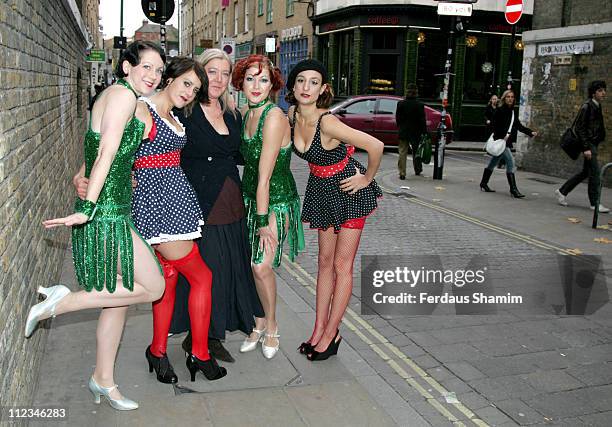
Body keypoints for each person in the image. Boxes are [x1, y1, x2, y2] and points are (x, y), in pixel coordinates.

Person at [31, 41, 167, 411]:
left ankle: (102, 380)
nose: (153, 76)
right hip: (106, 213)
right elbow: (106, 151)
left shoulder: (126, 98)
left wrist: (85, 178)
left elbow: (93, 151)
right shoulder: (123, 97)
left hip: (116, 207)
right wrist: (88, 207)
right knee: (154, 286)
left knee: (118, 300)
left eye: (159, 70)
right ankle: (62, 302)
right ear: (127, 67)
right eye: (147, 67)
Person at [74, 57, 228, 382]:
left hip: (171, 203)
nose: (189, 92)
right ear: (169, 78)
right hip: (156, 208)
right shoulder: (141, 108)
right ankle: (199, 353)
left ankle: (158, 352)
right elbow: (109, 147)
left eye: (195, 89)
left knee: (169, 278)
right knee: (201, 276)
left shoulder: (171, 114)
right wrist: (84, 175)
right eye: (186, 83)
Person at [286, 59, 383, 361]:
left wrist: (366, 177)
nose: (306, 87)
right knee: (324, 262)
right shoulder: (290, 115)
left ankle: (332, 334)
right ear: (292, 85)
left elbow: (376, 145)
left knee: (342, 266)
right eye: (301, 80)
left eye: (314, 82)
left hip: (349, 192)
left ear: (323, 89)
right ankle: (318, 330)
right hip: (321, 190)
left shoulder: (328, 122)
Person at [173, 49, 265, 363]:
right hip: (199, 202)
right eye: (213, 71)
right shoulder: (184, 110)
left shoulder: (232, 114)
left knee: (227, 271)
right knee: (207, 272)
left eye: (225, 74)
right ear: (200, 73)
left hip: (231, 201)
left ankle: (209, 336)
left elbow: (244, 153)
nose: (220, 79)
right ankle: (199, 339)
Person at [232, 54, 305, 359]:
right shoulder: (244, 113)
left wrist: (262, 221)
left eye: (263, 79)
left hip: (275, 202)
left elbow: (264, 177)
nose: (256, 85)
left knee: (260, 266)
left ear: (273, 84)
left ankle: (272, 325)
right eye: (250, 79)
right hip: (250, 200)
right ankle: (258, 322)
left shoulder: (273, 117)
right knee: (251, 267)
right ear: (241, 82)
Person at [555, 80, 609, 213]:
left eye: (604, 90)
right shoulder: (587, 106)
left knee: (586, 172)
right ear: (593, 93)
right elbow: (580, 128)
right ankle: (595, 203)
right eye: (600, 91)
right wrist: (586, 148)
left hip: (593, 143)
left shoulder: (596, 105)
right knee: (595, 173)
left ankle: (562, 191)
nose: (603, 93)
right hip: (589, 145)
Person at [479, 89, 537, 197]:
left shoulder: (512, 112)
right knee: (511, 162)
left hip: (504, 142)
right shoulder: (499, 110)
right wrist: (502, 135)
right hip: (500, 141)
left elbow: (519, 126)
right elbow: (493, 126)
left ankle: (483, 183)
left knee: (493, 162)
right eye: (508, 97)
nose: (510, 99)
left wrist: (530, 132)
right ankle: (513, 189)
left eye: (512, 97)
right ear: (504, 98)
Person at [395, 83, 427, 179]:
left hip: (404, 131)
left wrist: (400, 127)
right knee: (416, 151)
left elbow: (398, 118)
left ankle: (402, 172)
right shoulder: (420, 105)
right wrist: (424, 132)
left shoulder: (400, 104)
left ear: (407, 92)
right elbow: (422, 120)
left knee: (402, 152)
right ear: (416, 93)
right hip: (416, 132)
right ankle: (417, 169)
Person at [484, 94, 505, 169]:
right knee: (493, 142)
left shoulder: (499, 108)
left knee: (498, 144)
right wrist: (487, 120)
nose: (494, 100)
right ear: (491, 100)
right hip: (490, 126)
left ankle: (500, 162)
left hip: (496, 127)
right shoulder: (488, 107)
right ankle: (498, 160)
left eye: (496, 99)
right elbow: (485, 115)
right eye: (493, 99)